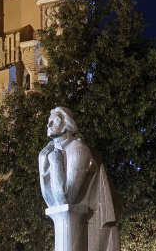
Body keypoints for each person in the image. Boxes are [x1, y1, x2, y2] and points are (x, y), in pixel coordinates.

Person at [39, 107, 123, 250]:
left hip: (89, 224)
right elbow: (50, 199)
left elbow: (65, 198)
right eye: (48, 121)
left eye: (54, 120)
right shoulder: (55, 151)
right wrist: (42, 160)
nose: (49, 124)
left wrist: (56, 162)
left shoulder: (78, 150)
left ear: (67, 125)